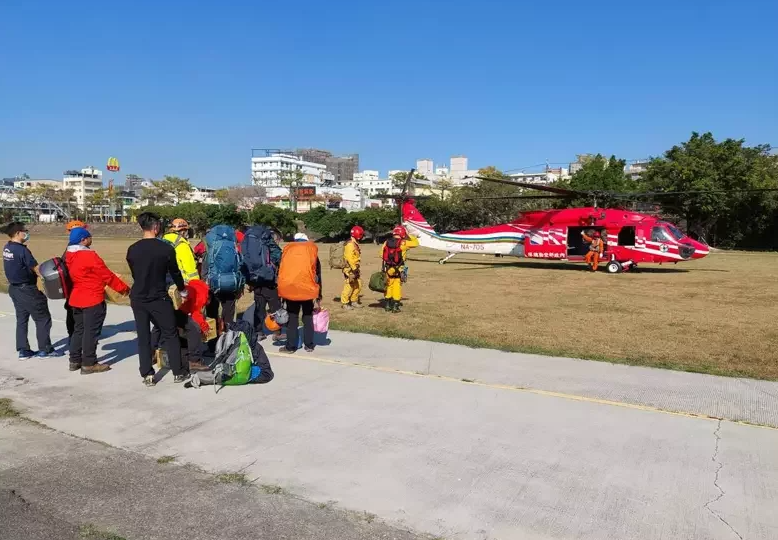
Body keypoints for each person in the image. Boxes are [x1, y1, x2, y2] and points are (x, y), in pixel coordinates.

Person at [126, 212, 189, 386]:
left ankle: (147, 374)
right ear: (156, 227)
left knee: (143, 335)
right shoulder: (166, 248)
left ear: (141, 227)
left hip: (138, 297)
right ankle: (178, 371)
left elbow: (134, 273)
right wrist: (182, 291)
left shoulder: (132, 249)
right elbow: (175, 273)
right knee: (170, 333)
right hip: (158, 297)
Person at [64, 227, 130, 374]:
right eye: (89, 237)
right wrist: (124, 289)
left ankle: (74, 360)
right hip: (92, 297)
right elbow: (107, 275)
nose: (91, 239)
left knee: (78, 330)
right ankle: (89, 363)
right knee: (91, 332)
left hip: (76, 297)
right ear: (83, 239)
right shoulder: (89, 256)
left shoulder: (69, 254)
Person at [2, 222, 62, 359]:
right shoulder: (22, 250)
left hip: (15, 289)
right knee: (43, 318)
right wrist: (49, 277)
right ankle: (45, 349)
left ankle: (23, 350)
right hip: (27, 289)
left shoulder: (8, 248)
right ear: (18, 233)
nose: (27, 233)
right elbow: (35, 268)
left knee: (22, 319)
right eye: (25, 231)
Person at [276, 233, 322, 353]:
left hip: (291, 289)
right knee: (307, 316)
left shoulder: (287, 252)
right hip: (308, 289)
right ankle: (309, 345)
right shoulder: (311, 252)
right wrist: (319, 294)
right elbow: (318, 274)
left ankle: (291, 346)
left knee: (292, 317)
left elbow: (281, 271)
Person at [241, 224, 282, 338]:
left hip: (255, 279)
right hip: (269, 279)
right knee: (275, 305)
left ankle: (258, 331)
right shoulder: (267, 241)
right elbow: (278, 256)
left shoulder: (250, 240)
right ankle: (277, 331)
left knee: (259, 306)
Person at [381, 225, 419, 313]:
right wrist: (410, 235)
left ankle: (387, 305)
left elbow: (381, 254)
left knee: (389, 286)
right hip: (398, 268)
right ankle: (395, 306)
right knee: (397, 286)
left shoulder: (386, 242)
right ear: (402, 233)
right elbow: (416, 243)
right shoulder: (404, 243)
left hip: (388, 268)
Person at [64, 219, 88, 339]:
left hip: (74, 286)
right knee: (74, 312)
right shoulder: (74, 249)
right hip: (76, 286)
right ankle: (74, 335)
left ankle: (75, 335)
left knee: (73, 311)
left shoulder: (71, 247)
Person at [162, 219, 200, 283]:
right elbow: (190, 269)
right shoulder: (182, 244)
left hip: (164, 280)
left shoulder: (164, 239)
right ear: (183, 231)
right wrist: (196, 284)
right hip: (181, 283)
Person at [340, 225, 364, 310]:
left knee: (358, 284)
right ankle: (345, 303)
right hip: (350, 269)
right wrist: (354, 269)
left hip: (354, 268)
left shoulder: (354, 243)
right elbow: (349, 258)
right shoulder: (350, 244)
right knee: (349, 285)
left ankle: (354, 301)